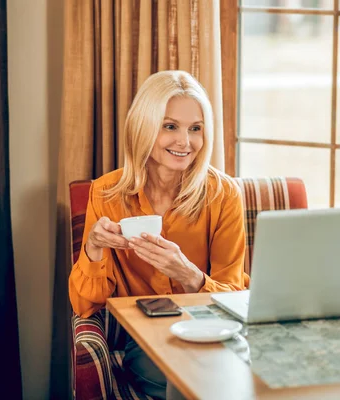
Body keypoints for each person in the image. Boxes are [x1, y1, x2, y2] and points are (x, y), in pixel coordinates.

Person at [68, 70, 247, 399]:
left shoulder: (224, 194)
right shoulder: (106, 193)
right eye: (170, 126)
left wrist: (187, 273)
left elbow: (234, 294)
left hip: (215, 331)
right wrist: (92, 247)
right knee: (193, 381)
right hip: (146, 338)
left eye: (196, 129)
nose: (185, 142)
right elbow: (84, 305)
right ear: (143, 127)